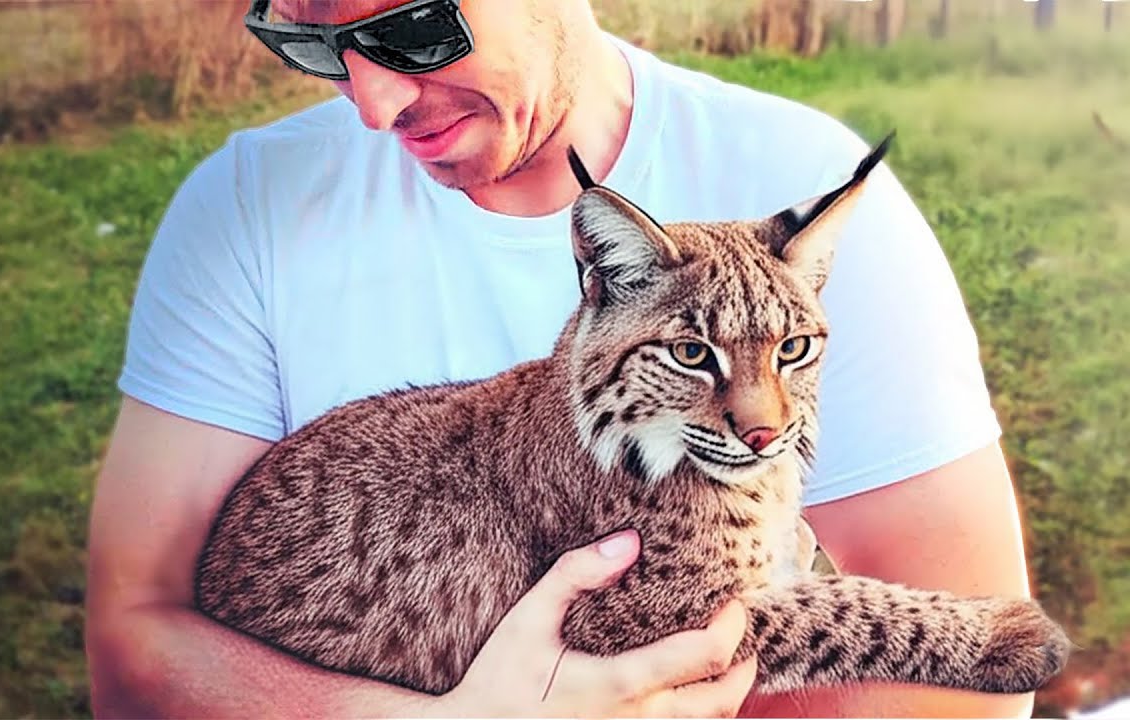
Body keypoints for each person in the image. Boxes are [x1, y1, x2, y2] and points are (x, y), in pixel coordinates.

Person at [83, 0, 1040, 717]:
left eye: (414, 29)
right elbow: (135, 643)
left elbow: (977, 675)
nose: (371, 106)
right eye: (307, 42)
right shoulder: (247, 209)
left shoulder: (798, 173)